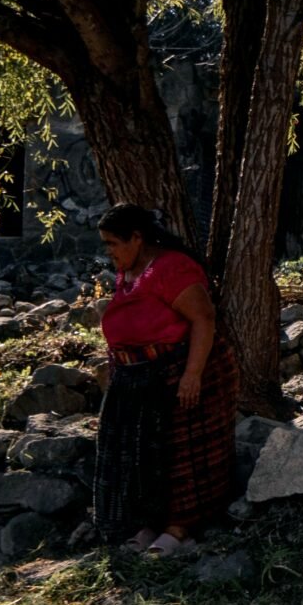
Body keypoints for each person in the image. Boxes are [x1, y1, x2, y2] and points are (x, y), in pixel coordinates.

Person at [93, 203, 240, 557]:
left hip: (177, 373)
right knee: (142, 455)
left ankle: (179, 529)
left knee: (182, 455)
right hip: (137, 378)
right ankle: (148, 524)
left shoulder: (171, 268)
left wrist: (192, 375)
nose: (108, 251)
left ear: (136, 238)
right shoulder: (129, 272)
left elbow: (204, 318)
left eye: (113, 243)